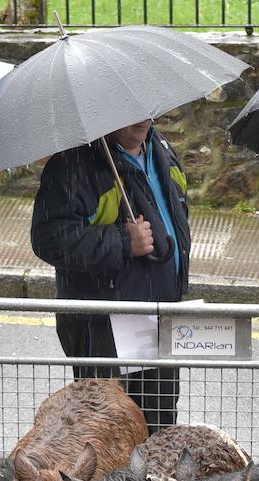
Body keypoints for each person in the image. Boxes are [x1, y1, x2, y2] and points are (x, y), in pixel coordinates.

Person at [30, 119, 191, 434]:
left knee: (158, 423)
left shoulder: (162, 150)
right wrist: (122, 241)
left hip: (158, 314)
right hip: (105, 325)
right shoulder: (72, 165)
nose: (143, 119)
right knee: (107, 428)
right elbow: (49, 238)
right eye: (132, 112)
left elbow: (178, 213)